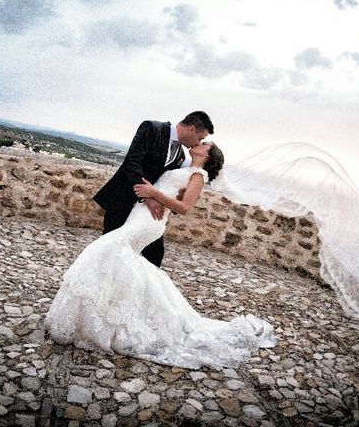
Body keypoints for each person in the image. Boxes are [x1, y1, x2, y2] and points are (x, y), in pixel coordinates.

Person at [45, 142, 276, 369]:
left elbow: (184, 208)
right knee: (120, 258)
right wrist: (152, 196)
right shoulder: (185, 168)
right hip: (141, 213)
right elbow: (174, 199)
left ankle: (107, 320)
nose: (200, 142)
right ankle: (109, 314)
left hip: (150, 222)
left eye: (205, 143)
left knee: (108, 248)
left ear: (207, 155)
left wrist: (153, 192)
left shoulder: (198, 175)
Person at [93, 112, 214, 267]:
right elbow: (132, 162)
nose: (198, 143)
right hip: (123, 199)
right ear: (192, 129)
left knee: (155, 255)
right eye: (200, 138)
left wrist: (178, 196)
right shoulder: (152, 128)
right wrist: (148, 198)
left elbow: (163, 183)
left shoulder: (181, 155)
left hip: (147, 214)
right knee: (110, 247)